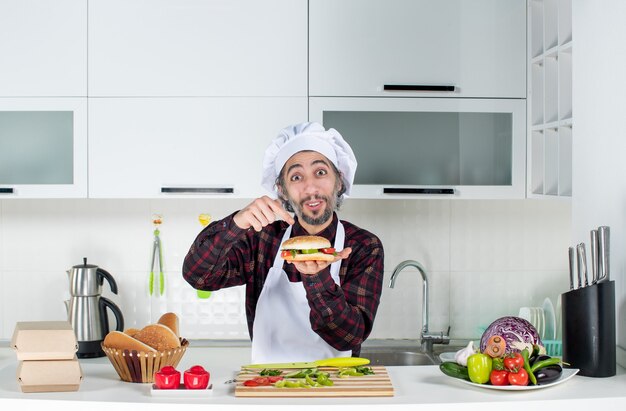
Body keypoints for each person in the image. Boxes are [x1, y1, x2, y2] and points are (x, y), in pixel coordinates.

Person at [182, 122, 384, 363]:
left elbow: (349, 337)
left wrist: (317, 280)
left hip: (335, 390)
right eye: (296, 176)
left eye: (320, 172)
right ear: (282, 190)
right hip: (268, 388)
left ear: (339, 181)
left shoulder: (363, 246)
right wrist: (237, 223)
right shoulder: (261, 238)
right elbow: (199, 276)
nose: (310, 187)